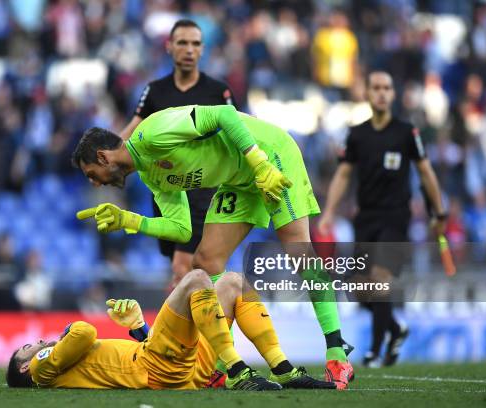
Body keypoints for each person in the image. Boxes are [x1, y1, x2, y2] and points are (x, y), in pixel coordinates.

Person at [71, 104, 354, 388]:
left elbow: (224, 115)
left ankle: (337, 355)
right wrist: (129, 220)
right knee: (206, 261)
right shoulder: (151, 174)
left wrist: (258, 162)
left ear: (102, 156)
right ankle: (224, 365)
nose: (95, 183)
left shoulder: (154, 133)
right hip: (239, 181)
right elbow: (181, 229)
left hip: (268, 154)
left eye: (91, 173)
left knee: (299, 253)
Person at [6, 270, 336, 390]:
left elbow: (122, 362)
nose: (34, 343)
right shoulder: (39, 369)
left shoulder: (59, 366)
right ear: (25, 365)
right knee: (196, 279)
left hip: (180, 369)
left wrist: (139, 329)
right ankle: (237, 371)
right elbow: (84, 333)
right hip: (158, 368)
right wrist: (67, 330)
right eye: (27, 347)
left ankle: (284, 370)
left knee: (234, 283)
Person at [318, 71, 446, 367]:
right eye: (375, 87)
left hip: (395, 216)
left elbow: (426, 172)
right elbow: (344, 174)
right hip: (366, 217)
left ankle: (375, 350)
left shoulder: (406, 132)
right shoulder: (357, 134)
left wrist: (439, 212)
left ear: (393, 93)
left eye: (387, 88)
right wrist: (329, 213)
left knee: (379, 279)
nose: (381, 93)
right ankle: (395, 328)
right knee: (360, 289)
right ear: (367, 92)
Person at [120, 19, 235, 288]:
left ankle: (187, 329)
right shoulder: (155, 91)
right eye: (182, 43)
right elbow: (132, 130)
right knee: (187, 272)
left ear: (203, 49)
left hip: (203, 189)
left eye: (195, 44)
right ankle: (196, 325)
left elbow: (238, 130)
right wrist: (107, 157)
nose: (189, 50)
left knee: (183, 268)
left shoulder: (218, 91)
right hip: (167, 189)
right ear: (169, 47)